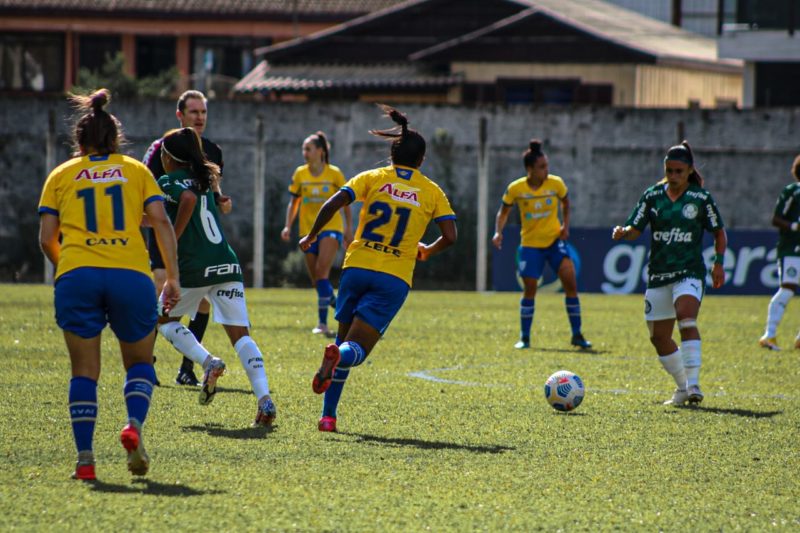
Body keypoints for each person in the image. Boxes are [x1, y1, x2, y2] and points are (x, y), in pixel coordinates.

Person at [38, 88, 180, 480]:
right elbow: (161, 222)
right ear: (116, 138)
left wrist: (69, 267)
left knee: (84, 371)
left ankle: (85, 461)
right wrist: (172, 277)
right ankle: (133, 425)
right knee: (139, 364)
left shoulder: (61, 175)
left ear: (79, 141)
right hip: (130, 275)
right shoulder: (136, 170)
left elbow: (47, 238)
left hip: (77, 276)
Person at [299, 105, 457, 432]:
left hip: (356, 267)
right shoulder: (431, 191)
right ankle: (335, 372)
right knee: (355, 350)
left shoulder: (371, 178)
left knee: (341, 341)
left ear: (392, 155)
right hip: (393, 277)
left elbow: (333, 202)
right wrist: (428, 249)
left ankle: (328, 417)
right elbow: (451, 235)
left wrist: (312, 234)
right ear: (422, 160)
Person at [154, 127, 276, 427]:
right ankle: (264, 399)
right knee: (241, 335)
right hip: (226, 263)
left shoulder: (168, 180)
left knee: (164, 321)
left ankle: (208, 362)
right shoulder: (205, 177)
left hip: (194, 267)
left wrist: (172, 239)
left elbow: (187, 201)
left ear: (169, 158)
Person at [612, 141, 727, 406]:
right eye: (669, 171)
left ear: (689, 171)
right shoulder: (652, 196)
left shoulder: (701, 198)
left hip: (689, 271)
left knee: (686, 318)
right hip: (659, 274)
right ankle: (683, 387)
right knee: (659, 337)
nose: (673, 176)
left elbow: (719, 232)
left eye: (678, 171)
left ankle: (694, 384)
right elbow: (635, 229)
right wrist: (623, 232)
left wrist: (718, 263)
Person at [142, 89, 229, 386]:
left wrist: (221, 201)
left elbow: (211, 192)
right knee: (161, 293)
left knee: (204, 302)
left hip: (197, 240)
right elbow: (146, 185)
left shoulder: (213, 151)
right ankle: (145, 364)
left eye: (203, 112)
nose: (200, 117)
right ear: (179, 115)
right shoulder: (161, 148)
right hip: (166, 231)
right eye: (194, 112)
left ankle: (187, 369)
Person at [492, 139, 592, 350]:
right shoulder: (516, 188)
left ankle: (577, 335)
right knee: (530, 289)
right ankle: (525, 338)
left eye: (547, 166)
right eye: (542, 167)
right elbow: (503, 212)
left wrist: (565, 226)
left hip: (554, 242)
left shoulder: (555, 184)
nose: (547, 170)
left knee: (570, 283)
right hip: (530, 245)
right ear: (530, 169)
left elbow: (566, 202)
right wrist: (498, 232)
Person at [281, 131, 353, 336]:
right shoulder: (300, 174)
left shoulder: (334, 174)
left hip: (331, 229)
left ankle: (322, 324)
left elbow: (346, 204)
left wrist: (348, 229)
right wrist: (288, 226)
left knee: (322, 273)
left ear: (320, 151)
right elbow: (294, 203)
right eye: (303, 149)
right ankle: (349, 314)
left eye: (308, 149)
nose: (305, 152)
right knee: (318, 282)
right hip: (307, 232)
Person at [759, 155, 800, 351]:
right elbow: (776, 219)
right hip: (791, 250)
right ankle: (769, 335)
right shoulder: (792, 191)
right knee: (787, 289)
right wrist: (794, 226)